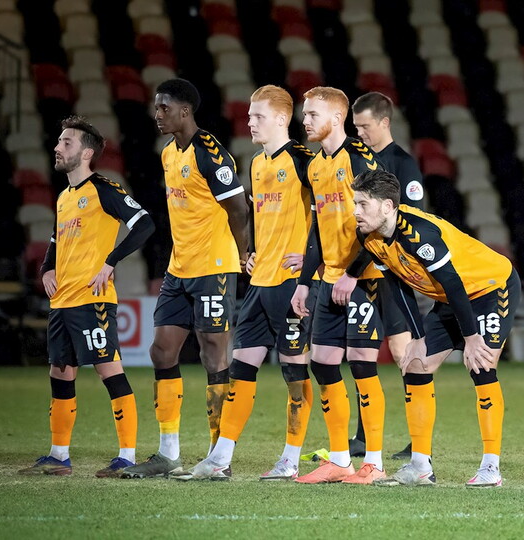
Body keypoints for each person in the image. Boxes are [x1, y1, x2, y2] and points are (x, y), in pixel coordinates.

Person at [175, 85, 316, 480]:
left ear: (281, 119)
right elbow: (256, 216)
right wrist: (250, 250)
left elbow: (329, 213)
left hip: (291, 284)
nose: (249, 122)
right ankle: (220, 457)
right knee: (241, 368)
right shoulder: (254, 163)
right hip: (259, 283)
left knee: (294, 372)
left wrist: (311, 258)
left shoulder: (303, 161)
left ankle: (290, 459)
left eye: (258, 116)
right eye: (250, 115)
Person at [348, 168, 521, 488]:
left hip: (490, 287)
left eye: (362, 204)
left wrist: (471, 338)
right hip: (450, 297)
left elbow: (454, 283)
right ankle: (420, 466)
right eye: (355, 203)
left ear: (387, 206)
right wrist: (417, 336)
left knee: (482, 364)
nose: (355, 211)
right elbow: (398, 284)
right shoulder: (369, 236)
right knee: (415, 364)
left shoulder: (419, 234)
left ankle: (491, 467)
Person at [122, 78, 250, 478]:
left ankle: (218, 456)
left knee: (214, 353)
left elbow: (239, 209)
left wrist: (242, 254)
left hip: (213, 266)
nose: (157, 114)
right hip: (179, 268)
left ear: (185, 111)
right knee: (162, 351)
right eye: (156, 107)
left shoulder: (210, 153)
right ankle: (168, 453)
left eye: (164, 107)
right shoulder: (167, 153)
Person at [19, 116, 154, 477]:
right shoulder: (64, 197)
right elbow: (55, 240)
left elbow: (144, 223)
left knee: (109, 369)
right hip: (62, 301)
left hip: (92, 300)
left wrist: (111, 262)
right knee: (60, 372)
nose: (57, 147)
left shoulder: (104, 189)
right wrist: (46, 268)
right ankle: (59, 456)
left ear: (86, 153)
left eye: (66, 142)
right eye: (58, 141)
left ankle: (127, 456)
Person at [288, 86, 389, 485]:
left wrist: (353, 272)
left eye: (312, 114)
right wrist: (303, 282)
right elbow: (318, 228)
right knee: (323, 363)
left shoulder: (360, 157)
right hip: (328, 279)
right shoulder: (315, 165)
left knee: (362, 364)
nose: (305, 121)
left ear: (336, 118)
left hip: (364, 278)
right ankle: (341, 460)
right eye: (304, 114)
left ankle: (374, 463)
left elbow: (383, 221)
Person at [350, 91, 425, 460]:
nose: (360, 133)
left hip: (390, 272)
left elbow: (411, 220)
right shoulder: (355, 160)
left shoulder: (402, 164)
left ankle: (419, 439)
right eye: (356, 127)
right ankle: (363, 437)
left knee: (401, 351)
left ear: (384, 122)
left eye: (365, 126)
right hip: (360, 273)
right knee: (361, 351)